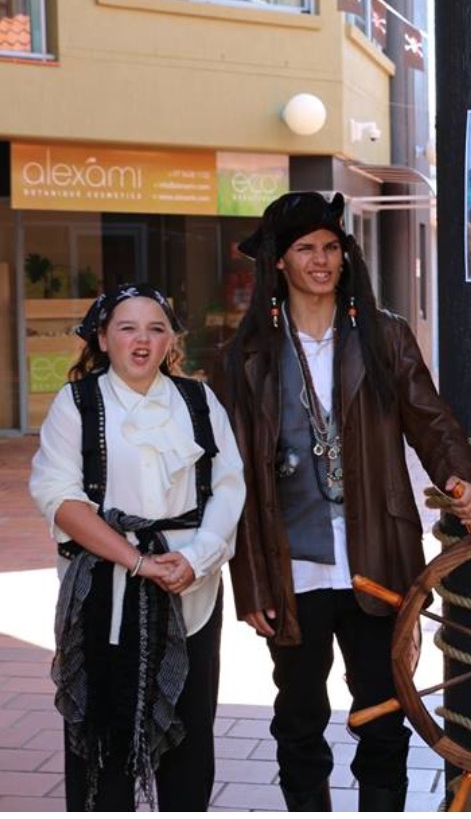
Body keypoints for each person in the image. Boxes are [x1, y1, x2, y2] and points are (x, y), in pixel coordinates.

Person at [219, 191, 471, 812]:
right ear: (279, 262)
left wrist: (459, 475)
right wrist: (251, 584)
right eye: (306, 248)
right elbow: (231, 480)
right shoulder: (247, 357)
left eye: (332, 247)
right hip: (293, 566)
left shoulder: (383, 335)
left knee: (384, 713)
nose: (321, 260)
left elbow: (431, 417)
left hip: (378, 555)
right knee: (300, 715)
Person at [29, 283, 245, 811]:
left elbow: (229, 485)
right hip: (106, 595)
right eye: (127, 328)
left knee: (190, 738)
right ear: (103, 339)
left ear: (172, 339)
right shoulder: (77, 403)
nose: (142, 341)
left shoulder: (199, 400)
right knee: (103, 740)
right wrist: (139, 562)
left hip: (190, 591)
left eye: (156, 328)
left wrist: (196, 559)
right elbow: (60, 498)